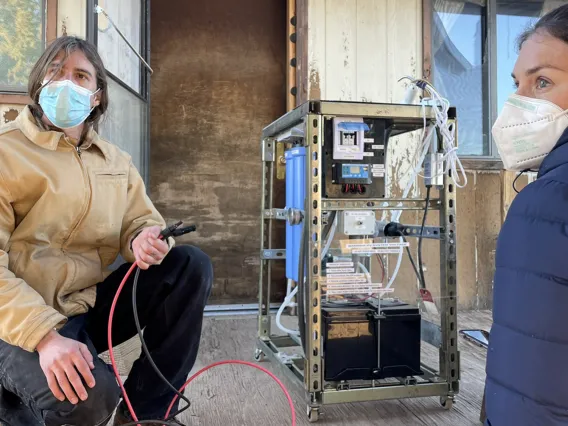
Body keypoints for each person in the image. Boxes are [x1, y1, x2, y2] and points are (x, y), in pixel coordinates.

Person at [0, 36, 213, 426]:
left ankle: (145, 414)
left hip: (83, 306)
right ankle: (13, 402)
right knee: (91, 396)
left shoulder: (115, 161)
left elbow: (140, 219)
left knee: (190, 265)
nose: (67, 83)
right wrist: (44, 339)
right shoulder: (6, 153)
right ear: (39, 84)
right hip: (14, 320)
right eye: (56, 72)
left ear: (96, 96)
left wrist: (143, 240)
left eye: (80, 75)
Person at [485, 5, 568, 426]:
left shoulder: (550, 196)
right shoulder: (546, 188)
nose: (519, 103)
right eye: (517, 84)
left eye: (542, 81)